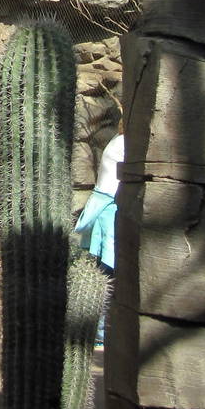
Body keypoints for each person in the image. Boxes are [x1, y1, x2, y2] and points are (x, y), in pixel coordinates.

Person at [74, 132, 124, 341]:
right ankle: (100, 330)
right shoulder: (124, 143)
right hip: (110, 207)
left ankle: (100, 328)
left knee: (107, 269)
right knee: (109, 270)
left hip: (109, 205)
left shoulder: (117, 140)